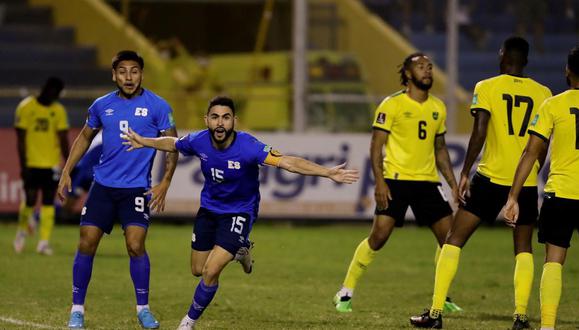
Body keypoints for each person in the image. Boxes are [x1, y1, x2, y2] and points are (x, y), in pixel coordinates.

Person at [121, 96, 360, 330]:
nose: (220, 123)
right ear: (206, 120)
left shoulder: (248, 146)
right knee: (197, 269)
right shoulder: (199, 141)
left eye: (226, 118)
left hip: (239, 213)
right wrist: (144, 141)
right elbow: (172, 143)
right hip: (209, 210)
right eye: (215, 117)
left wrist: (327, 172)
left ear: (234, 120)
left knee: (210, 271)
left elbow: (288, 162)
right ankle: (240, 250)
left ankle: (188, 322)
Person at [410, 36, 552, 329]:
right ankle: (520, 318)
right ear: (526, 60)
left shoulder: (486, 87)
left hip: (489, 177)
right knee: (523, 248)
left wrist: (464, 174)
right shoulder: (544, 93)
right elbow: (542, 143)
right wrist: (533, 168)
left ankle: (436, 314)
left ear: (502, 55)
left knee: (454, 240)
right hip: (522, 183)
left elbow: (480, 132)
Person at [56, 50, 179, 329]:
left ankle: (143, 309)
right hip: (103, 187)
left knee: (135, 245)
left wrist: (166, 182)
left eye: (134, 71)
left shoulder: (158, 106)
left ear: (141, 74)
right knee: (86, 242)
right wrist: (66, 172)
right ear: (114, 75)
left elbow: (173, 144)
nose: (128, 77)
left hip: (135, 189)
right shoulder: (101, 105)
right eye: (122, 71)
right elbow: (84, 138)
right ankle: (77, 310)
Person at [332, 53, 461, 314]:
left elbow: (440, 149)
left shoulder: (438, 107)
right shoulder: (391, 105)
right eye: (421, 67)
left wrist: (453, 184)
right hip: (396, 180)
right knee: (378, 237)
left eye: (430, 67)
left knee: (450, 240)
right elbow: (376, 146)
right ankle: (345, 291)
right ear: (408, 73)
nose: (427, 71)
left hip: (427, 182)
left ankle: (442, 296)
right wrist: (379, 183)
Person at [504, 46, 579, 330]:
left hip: (561, 193)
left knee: (554, 261)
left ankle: (547, 327)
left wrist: (513, 196)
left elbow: (531, 153)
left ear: (567, 71)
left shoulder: (553, 105)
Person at [13, 76, 69, 255]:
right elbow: (20, 140)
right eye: (53, 91)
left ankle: (43, 242)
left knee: (48, 202)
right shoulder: (26, 107)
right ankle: (21, 233)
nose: (55, 95)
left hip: (51, 165)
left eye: (57, 93)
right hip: (32, 163)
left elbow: (63, 140)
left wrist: (68, 163)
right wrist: (24, 166)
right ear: (44, 88)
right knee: (29, 200)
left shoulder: (59, 111)